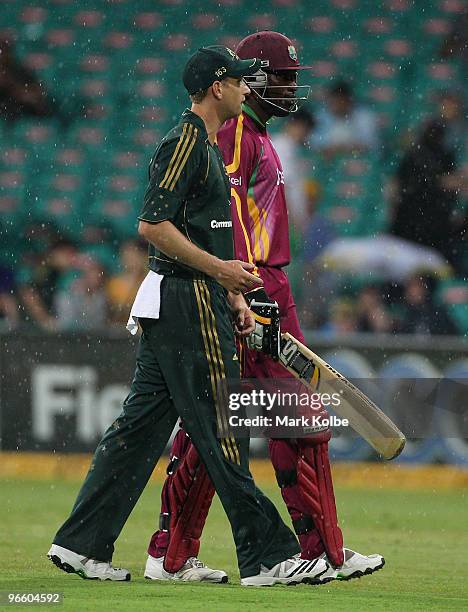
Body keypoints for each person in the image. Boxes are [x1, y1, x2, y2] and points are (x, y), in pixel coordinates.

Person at [47, 45, 329, 587]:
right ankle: (269, 556)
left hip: (192, 297)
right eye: (241, 82)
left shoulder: (204, 145)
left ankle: (80, 544)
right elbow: (152, 225)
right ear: (217, 87)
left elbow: (205, 233)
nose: (249, 90)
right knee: (223, 432)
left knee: (138, 431)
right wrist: (221, 275)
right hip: (187, 300)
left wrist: (235, 296)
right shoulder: (186, 142)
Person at [146, 31, 384, 585]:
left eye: (294, 78)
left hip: (264, 284)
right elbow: (219, 211)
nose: (290, 89)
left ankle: (181, 552)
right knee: (268, 420)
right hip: (250, 286)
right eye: (280, 77)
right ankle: (307, 551)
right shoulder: (232, 134)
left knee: (240, 420)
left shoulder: (257, 133)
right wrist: (239, 287)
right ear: (248, 80)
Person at [311, 80, 379, 157]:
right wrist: (334, 148)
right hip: (330, 162)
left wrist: (348, 147)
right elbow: (314, 144)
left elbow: (372, 145)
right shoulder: (321, 116)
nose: (337, 106)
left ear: (349, 101)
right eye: (333, 102)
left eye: (340, 102)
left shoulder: (364, 115)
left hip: (358, 159)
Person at [0, 37, 53, 122]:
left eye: (2, 51)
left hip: (21, 116)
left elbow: (37, 97)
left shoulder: (20, 71)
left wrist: (10, 84)